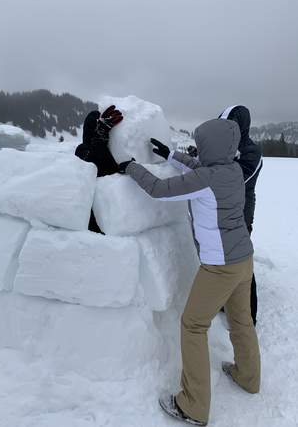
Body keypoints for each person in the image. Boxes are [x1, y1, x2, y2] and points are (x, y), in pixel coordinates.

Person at [119, 119, 261, 426]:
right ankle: (248, 377)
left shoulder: (206, 179)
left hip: (220, 265)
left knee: (193, 325)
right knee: (241, 320)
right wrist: (172, 155)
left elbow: (159, 189)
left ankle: (194, 405)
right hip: (244, 259)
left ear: (209, 146)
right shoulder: (234, 171)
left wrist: (131, 167)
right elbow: (200, 168)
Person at [219, 105, 262, 326]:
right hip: (223, 214)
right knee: (222, 260)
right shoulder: (224, 146)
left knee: (243, 265)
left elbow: (236, 181)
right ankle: (222, 302)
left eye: (231, 125)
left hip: (241, 216)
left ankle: (249, 314)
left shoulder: (251, 151)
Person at [75, 105, 123, 233]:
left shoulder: (100, 148)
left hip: (110, 218)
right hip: (94, 225)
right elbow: (101, 167)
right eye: (98, 126)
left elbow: (111, 168)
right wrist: (100, 137)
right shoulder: (82, 150)